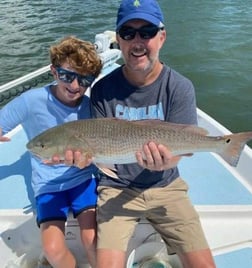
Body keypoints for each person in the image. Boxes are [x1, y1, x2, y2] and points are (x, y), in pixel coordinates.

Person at [54, 1, 217, 268]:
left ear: (161, 37)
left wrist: (167, 161)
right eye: (128, 33)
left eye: (147, 32)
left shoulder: (180, 87)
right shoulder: (102, 89)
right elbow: (98, 147)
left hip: (167, 187)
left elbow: (182, 144)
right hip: (116, 189)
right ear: (118, 40)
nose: (137, 41)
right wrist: (84, 158)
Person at [0, 36, 102, 268]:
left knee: (93, 239)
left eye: (85, 79)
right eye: (67, 76)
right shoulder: (30, 101)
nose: (75, 86)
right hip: (48, 186)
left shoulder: (91, 107)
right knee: (53, 249)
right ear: (53, 71)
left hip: (82, 180)